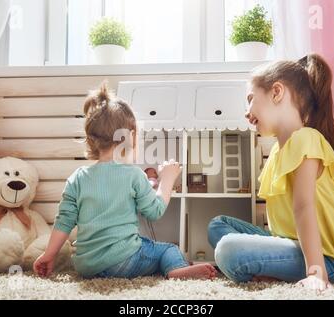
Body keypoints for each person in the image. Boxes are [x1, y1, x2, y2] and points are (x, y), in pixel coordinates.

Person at [34, 82, 216, 280]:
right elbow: (154, 211)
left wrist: (48, 255)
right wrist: (167, 180)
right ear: (129, 137)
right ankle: (175, 269)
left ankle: (170, 266)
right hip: (124, 262)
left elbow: (64, 221)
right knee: (167, 249)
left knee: (145, 244)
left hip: (86, 266)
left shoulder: (77, 178)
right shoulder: (132, 174)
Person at [208, 54, 334, 291]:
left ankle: (291, 270)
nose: (247, 112)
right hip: (291, 244)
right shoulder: (277, 151)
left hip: (326, 260)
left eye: (250, 99)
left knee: (227, 249)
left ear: (276, 92)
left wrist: (316, 271)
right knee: (218, 225)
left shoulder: (307, 139)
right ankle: (270, 269)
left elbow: (303, 206)